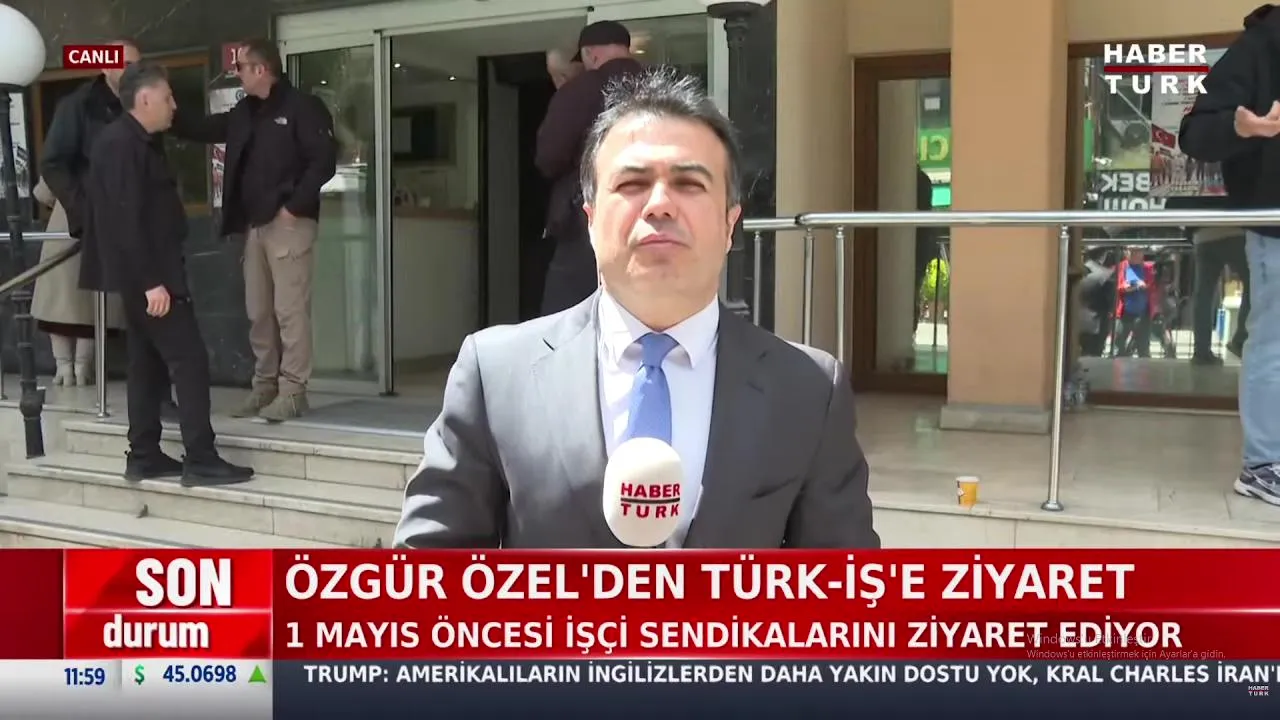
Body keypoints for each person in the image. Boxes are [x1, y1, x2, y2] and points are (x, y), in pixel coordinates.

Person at [395, 68, 879, 549]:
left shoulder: (809, 390)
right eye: (632, 184)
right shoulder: (497, 373)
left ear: (730, 225)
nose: (659, 205)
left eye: (689, 183)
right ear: (589, 221)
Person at [84, 62, 253, 485]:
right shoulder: (121, 145)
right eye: (167, 97)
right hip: (151, 277)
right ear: (144, 100)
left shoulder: (136, 142)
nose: (174, 106)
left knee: (147, 365)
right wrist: (150, 283)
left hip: (150, 274)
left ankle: (144, 454)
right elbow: (125, 220)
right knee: (189, 360)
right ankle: (201, 457)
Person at [171, 38, 338, 422]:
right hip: (255, 225)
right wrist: (169, 112)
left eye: (241, 67)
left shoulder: (302, 108)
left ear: (261, 69)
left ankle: (293, 391)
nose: (237, 73)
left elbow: (324, 161)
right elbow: (207, 128)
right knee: (259, 311)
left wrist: (293, 207)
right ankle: (265, 386)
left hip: (289, 225)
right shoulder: (245, 111)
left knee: (289, 310)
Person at [1178, 3, 1280, 505]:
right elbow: (1195, 133)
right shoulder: (1261, 48)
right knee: (1274, 345)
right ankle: (1263, 465)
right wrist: (1242, 128)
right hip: (1275, 229)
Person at [36, 38, 138, 391]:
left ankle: (82, 367)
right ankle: (66, 366)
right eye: (127, 64)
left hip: (112, 214)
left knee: (98, 298)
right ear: (107, 66)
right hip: (74, 213)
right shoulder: (77, 105)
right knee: (65, 295)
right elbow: (54, 163)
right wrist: (79, 208)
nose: (134, 71)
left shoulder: (135, 103)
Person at [534, 21, 644, 315]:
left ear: (591, 55)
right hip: (652, 215)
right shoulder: (660, 87)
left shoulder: (580, 90)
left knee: (568, 316)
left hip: (589, 218)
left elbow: (549, 156)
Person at [32, 178, 125, 385]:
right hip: (102, 225)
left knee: (56, 305)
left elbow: (43, 194)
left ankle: (63, 366)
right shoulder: (109, 160)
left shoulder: (62, 161)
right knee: (93, 308)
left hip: (63, 228)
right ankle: (83, 367)